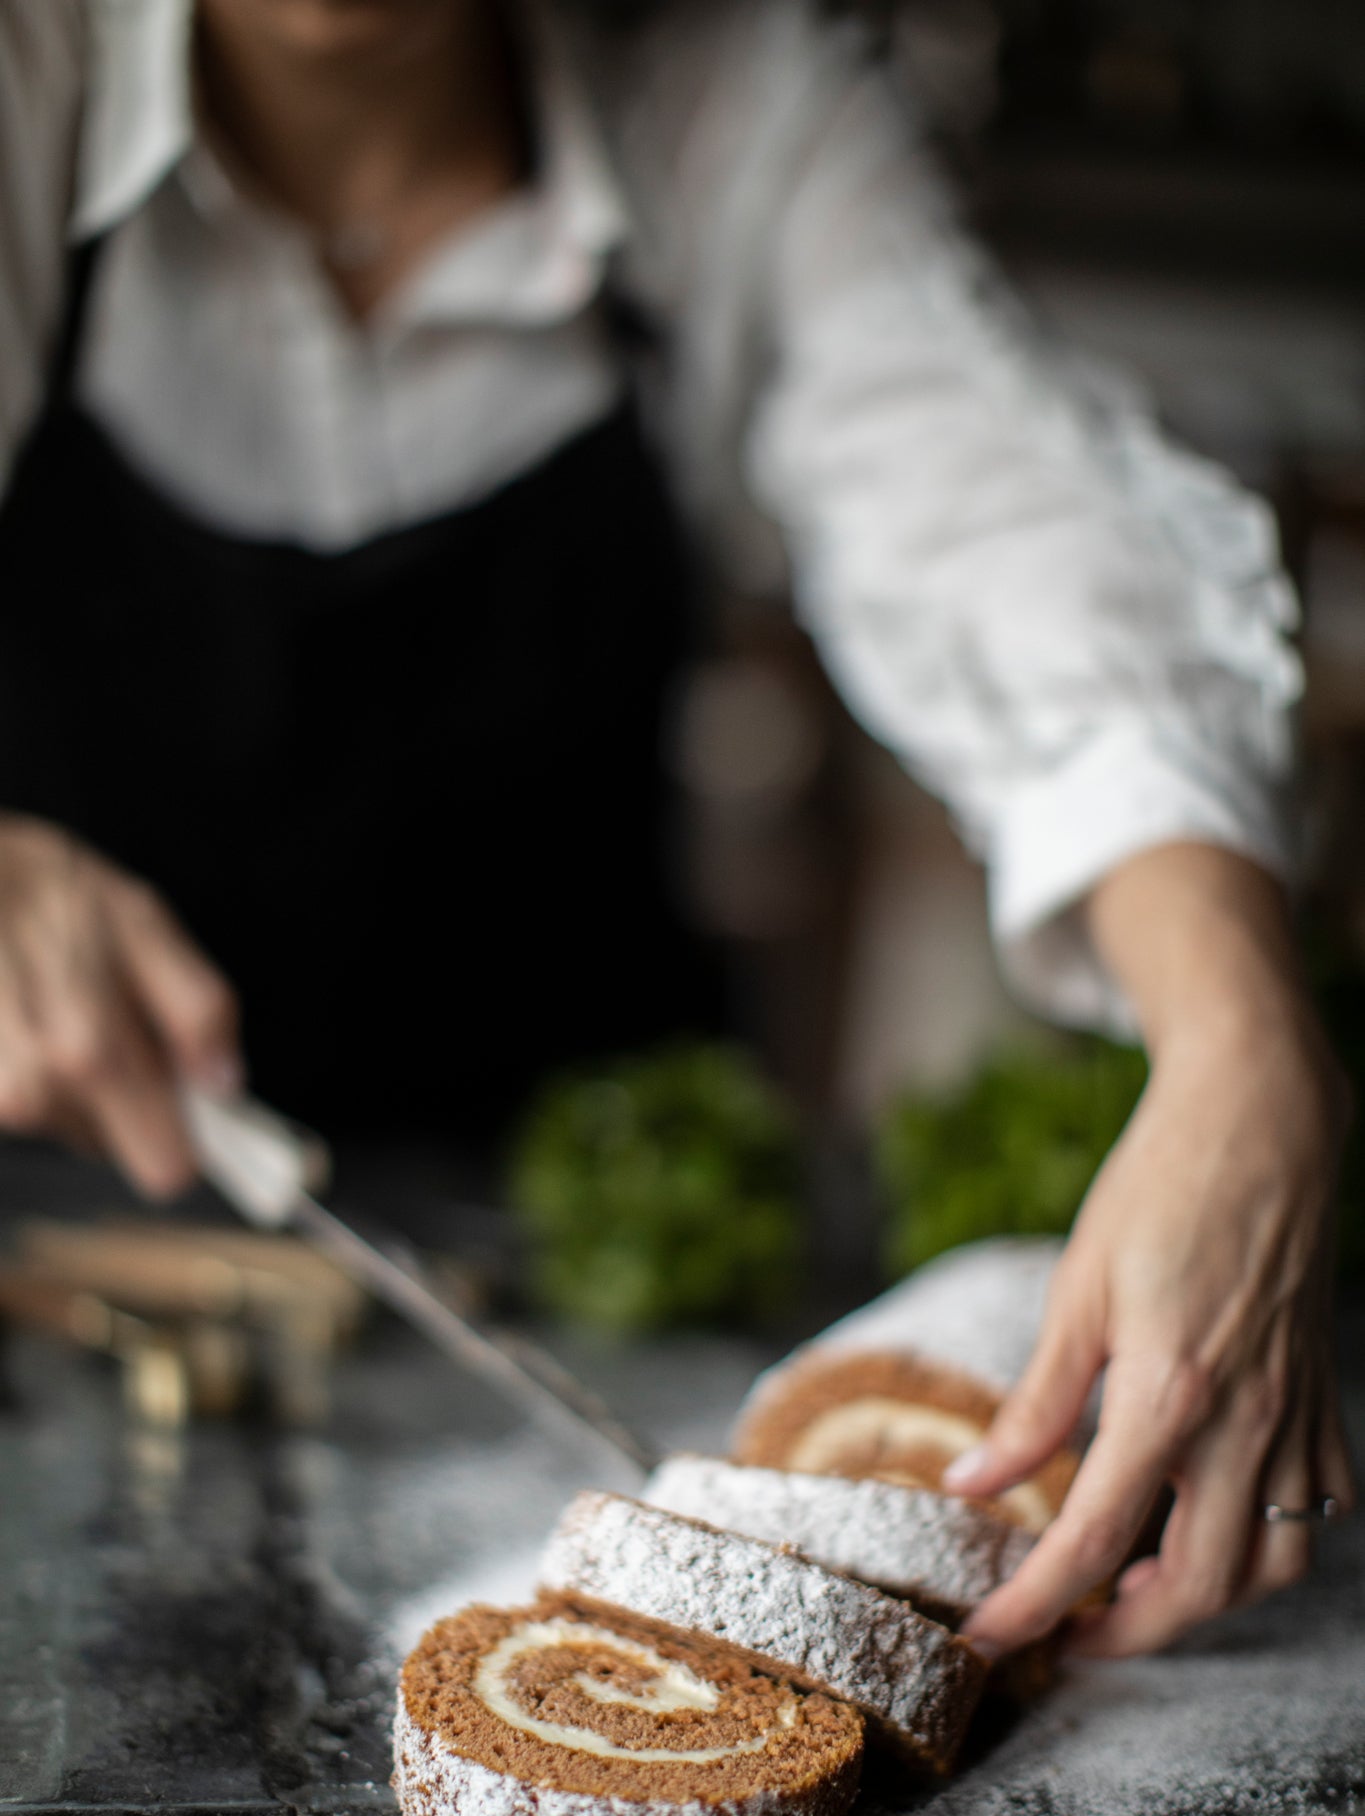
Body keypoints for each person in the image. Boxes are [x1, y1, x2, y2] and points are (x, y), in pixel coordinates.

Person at [0, 0, 1351, 1658]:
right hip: (53, 1240)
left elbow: (1021, 545)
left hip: (593, 1251)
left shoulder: (733, 101)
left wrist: (1236, 1044)